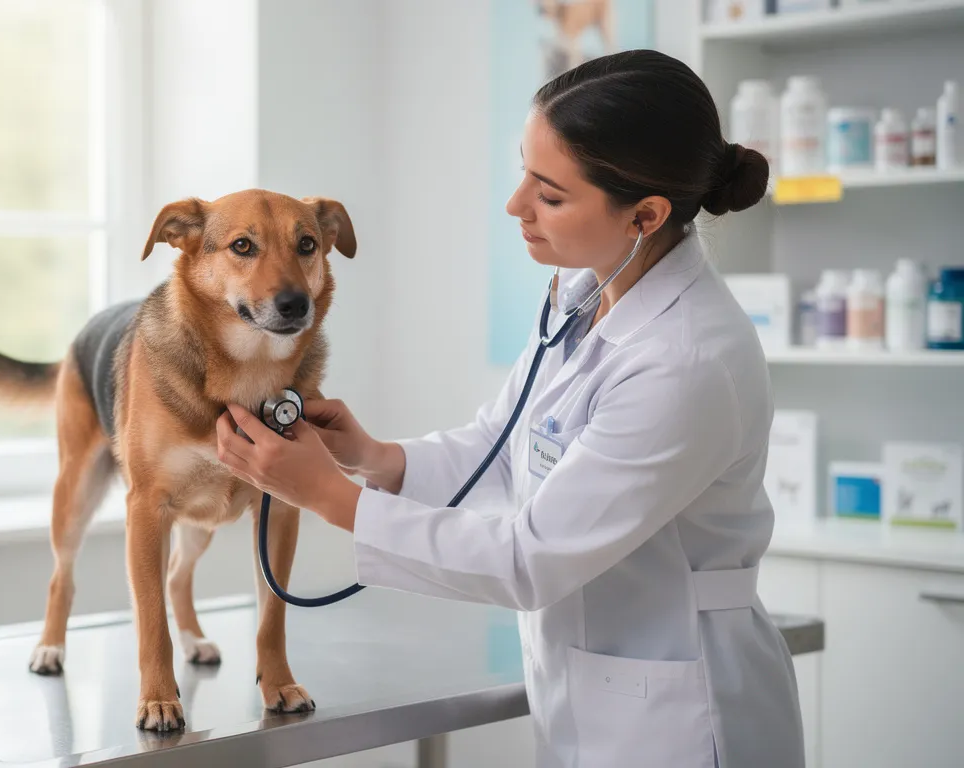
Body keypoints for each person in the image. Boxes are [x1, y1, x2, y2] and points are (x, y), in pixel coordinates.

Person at [215, 49, 804, 768]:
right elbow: (506, 445)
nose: (515, 204)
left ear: (644, 216)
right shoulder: (584, 293)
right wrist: (374, 459)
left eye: (550, 194)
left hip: (684, 719)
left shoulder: (687, 361)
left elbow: (529, 560)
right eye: (523, 170)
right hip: (592, 690)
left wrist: (330, 498)